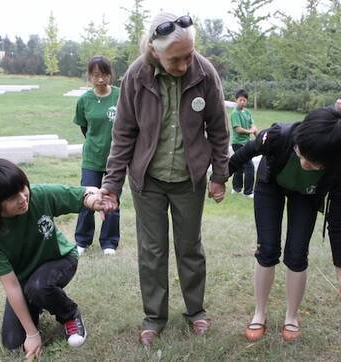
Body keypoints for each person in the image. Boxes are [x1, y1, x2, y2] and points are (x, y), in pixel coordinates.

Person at [99, 12, 229, 347]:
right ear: (155, 51)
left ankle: (196, 312)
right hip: (149, 180)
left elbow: (218, 129)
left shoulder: (204, 72)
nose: (186, 64)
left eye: (189, 55)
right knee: (152, 250)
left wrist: (219, 174)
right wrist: (111, 185)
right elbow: (124, 133)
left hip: (190, 179)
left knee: (190, 248)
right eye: (177, 59)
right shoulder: (136, 76)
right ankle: (154, 318)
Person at [228, 107, 341, 342]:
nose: (305, 163)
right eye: (302, 153)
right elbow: (244, 153)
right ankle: (259, 312)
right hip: (271, 185)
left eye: (315, 163)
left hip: (306, 196)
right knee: (267, 249)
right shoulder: (280, 135)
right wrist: (218, 178)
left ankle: (292, 316)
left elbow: (336, 222)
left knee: (297, 254)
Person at [0, 159, 105, 357]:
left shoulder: (39, 195)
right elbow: (12, 286)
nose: (22, 198)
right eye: (11, 197)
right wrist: (32, 334)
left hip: (61, 260)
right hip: (25, 280)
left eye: (22, 188)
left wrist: (93, 200)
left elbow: (84, 192)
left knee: (38, 287)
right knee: (13, 342)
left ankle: (69, 314)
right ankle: (38, 300)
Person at [73, 55, 121, 256]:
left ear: (110, 75)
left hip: (115, 159)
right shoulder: (84, 100)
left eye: (104, 75)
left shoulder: (120, 95)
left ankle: (109, 242)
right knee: (88, 198)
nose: (100, 79)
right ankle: (82, 240)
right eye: (95, 75)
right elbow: (85, 128)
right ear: (90, 76)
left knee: (111, 199)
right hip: (92, 158)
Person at [230, 89, 258, 198]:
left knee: (239, 166)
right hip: (238, 143)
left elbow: (252, 125)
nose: (242, 102)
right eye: (240, 100)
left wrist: (257, 136)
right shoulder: (235, 113)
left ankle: (236, 189)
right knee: (249, 166)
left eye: (244, 100)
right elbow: (238, 129)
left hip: (246, 143)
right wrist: (250, 131)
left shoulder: (247, 112)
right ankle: (248, 192)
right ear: (236, 100)